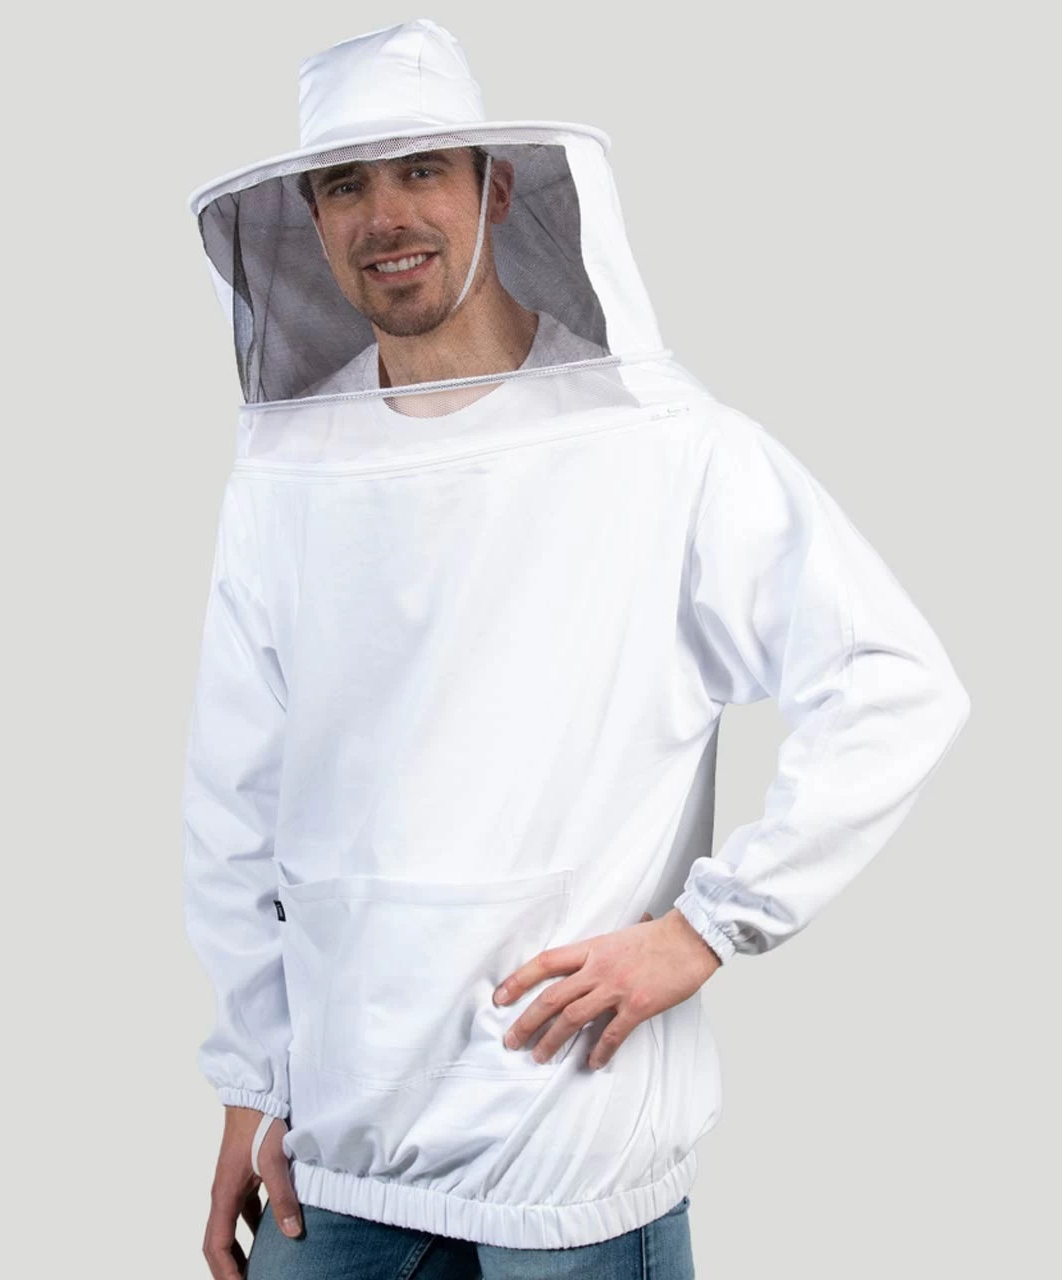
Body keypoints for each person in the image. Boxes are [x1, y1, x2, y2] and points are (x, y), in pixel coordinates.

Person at [181, 18, 970, 1280]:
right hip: (337, 1144)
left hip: (573, 1137)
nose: (386, 215)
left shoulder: (661, 443)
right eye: (345, 183)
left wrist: (705, 928)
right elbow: (236, 800)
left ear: (494, 186)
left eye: (421, 169)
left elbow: (891, 683)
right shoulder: (290, 467)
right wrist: (247, 1078)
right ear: (310, 218)